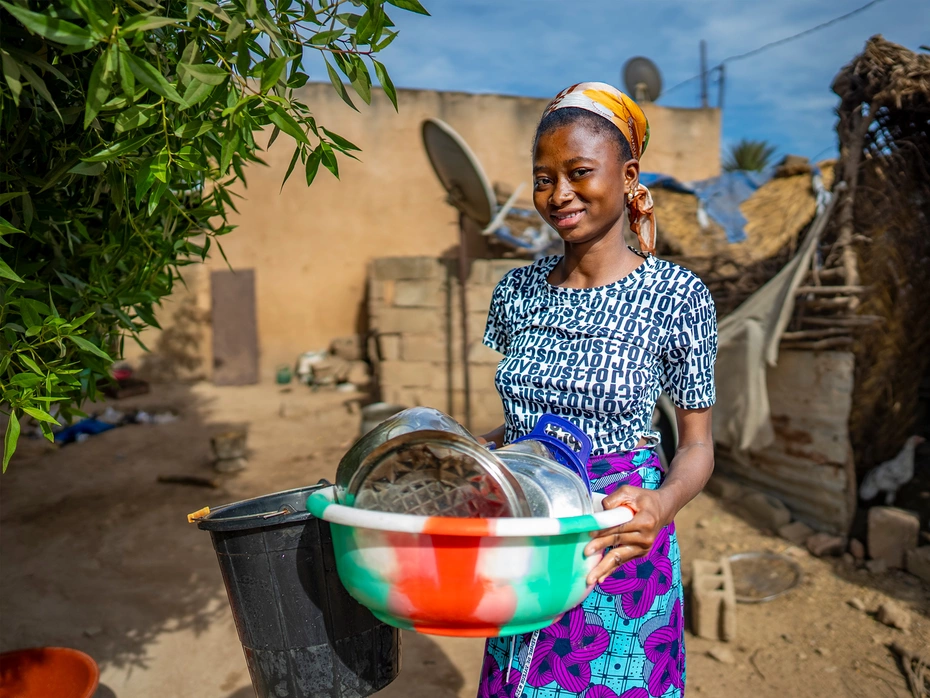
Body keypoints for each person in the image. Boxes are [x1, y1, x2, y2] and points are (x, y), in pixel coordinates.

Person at [476, 82, 717, 698]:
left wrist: (661, 507)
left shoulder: (676, 295)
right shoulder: (517, 292)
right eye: (543, 178)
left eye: (579, 172)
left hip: (618, 542)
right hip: (527, 531)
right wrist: (464, 458)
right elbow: (524, 424)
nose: (559, 195)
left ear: (628, 173)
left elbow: (696, 447)